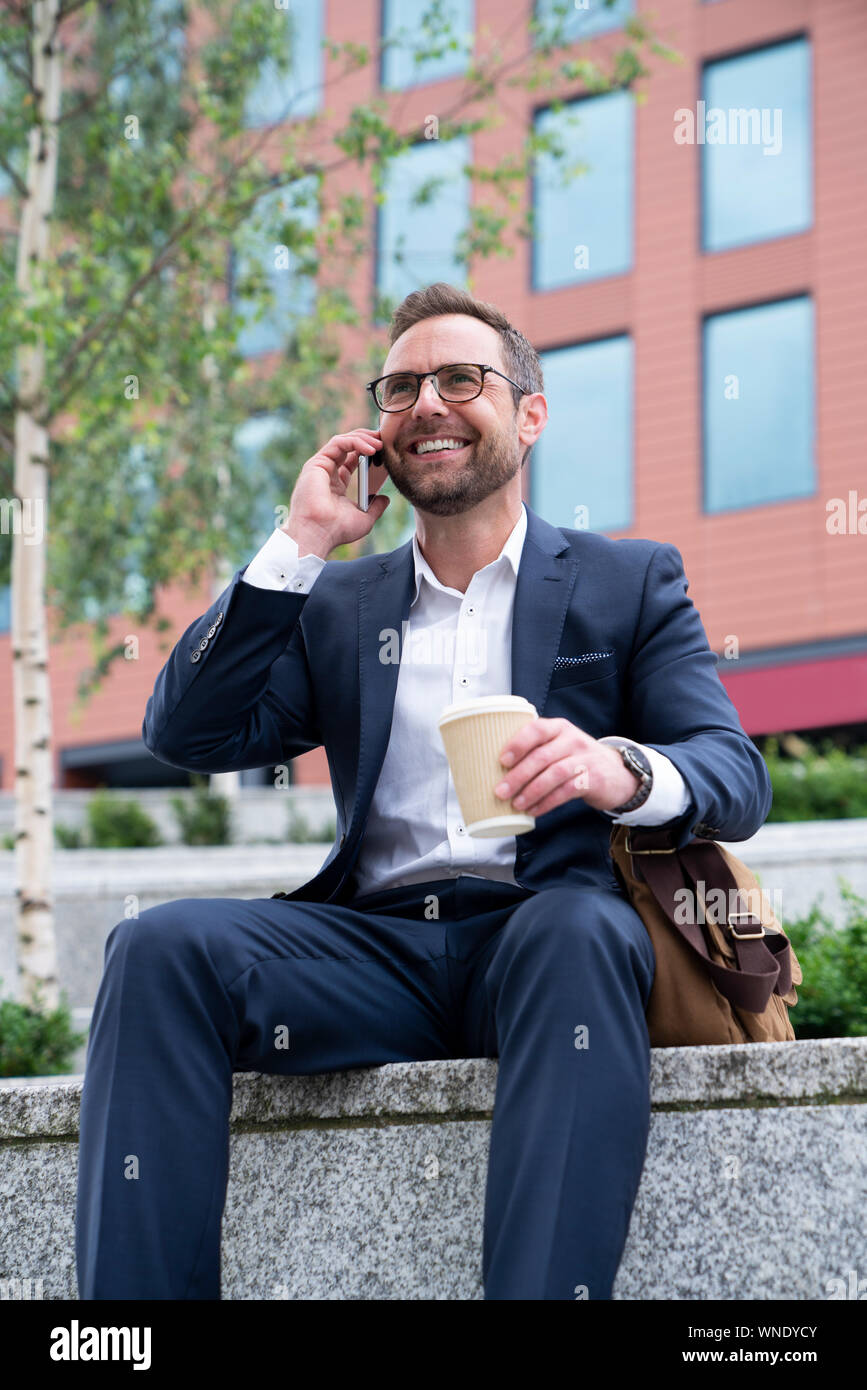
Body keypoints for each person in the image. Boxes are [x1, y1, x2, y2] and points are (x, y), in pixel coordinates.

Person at [75, 281, 772, 1301]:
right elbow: (188, 730)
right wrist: (298, 547)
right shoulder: (340, 603)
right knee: (156, 947)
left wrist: (610, 766)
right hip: (373, 950)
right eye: (399, 388)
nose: (426, 404)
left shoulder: (626, 581)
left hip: (543, 937)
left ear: (529, 415)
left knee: (575, 934)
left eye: (460, 378)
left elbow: (735, 773)